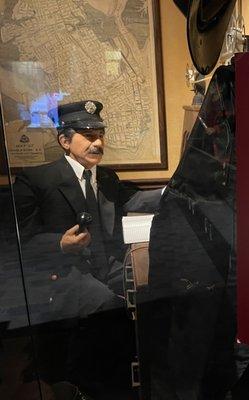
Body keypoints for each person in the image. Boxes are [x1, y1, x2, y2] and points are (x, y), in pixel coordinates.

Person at [13, 100, 162, 393]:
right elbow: (18, 240)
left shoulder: (106, 178)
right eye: (88, 135)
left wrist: (173, 191)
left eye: (100, 134)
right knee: (107, 307)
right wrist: (59, 244)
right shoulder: (37, 180)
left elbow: (131, 201)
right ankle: (94, 383)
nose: (97, 142)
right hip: (64, 272)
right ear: (65, 140)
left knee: (157, 293)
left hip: (107, 267)